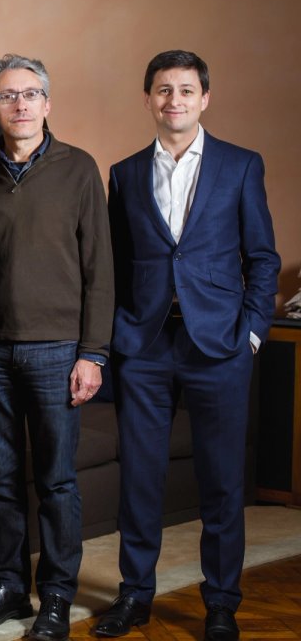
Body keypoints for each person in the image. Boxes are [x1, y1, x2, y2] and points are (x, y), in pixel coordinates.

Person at [96, 51, 280, 641]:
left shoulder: (240, 165)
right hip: (145, 346)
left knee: (222, 481)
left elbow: (263, 259)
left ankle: (222, 602)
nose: (173, 100)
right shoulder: (123, 173)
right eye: (162, 90)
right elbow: (115, 264)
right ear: (148, 99)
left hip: (219, 346)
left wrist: (251, 332)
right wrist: (118, 337)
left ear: (205, 98)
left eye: (185, 90)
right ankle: (134, 595)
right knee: (140, 479)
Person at [0, 54, 113, 641]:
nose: (19, 105)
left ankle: (56, 595)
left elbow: (101, 269)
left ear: (47, 104)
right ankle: (6, 585)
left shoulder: (79, 169)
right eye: (8, 96)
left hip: (57, 351)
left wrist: (92, 353)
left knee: (56, 482)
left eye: (30, 95)